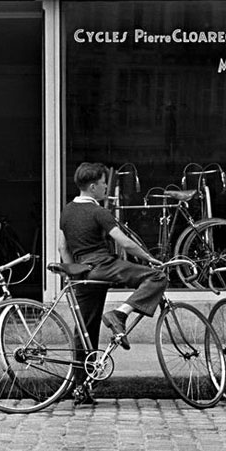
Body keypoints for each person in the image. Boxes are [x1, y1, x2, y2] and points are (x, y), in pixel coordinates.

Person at [58, 162, 166, 404]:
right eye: (104, 183)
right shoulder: (99, 212)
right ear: (94, 186)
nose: (107, 186)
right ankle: (120, 314)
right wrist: (149, 258)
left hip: (81, 272)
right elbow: (124, 242)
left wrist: (73, 273)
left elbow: (62, 247)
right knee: (157, 277)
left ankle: (81, 389)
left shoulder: (67, 210)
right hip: (103, 265)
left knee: (85, 330)